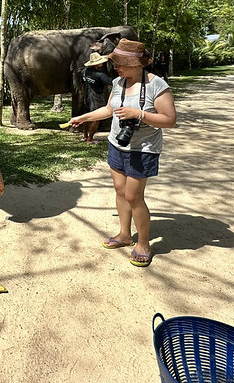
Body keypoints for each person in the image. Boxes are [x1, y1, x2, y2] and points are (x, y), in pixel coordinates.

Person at [68, 38, 177, 268]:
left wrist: (138, 114)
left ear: (137, 63)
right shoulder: (118, 82)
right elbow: (109, 109)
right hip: (117, 144)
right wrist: (83, 117)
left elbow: (169, 120)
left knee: (133, 196)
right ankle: (125, 235)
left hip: (142, 149)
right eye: (115, 63)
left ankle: (144, 243)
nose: (115, 67)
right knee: (120, 191)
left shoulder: (157, 85)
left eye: (120, 63)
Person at [81, 52, 113, 144]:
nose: (102, 63)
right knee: (96, 118)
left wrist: (84, 97)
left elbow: (82, 86)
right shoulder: (100, 75)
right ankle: (90, 139)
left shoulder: (83, 73)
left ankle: (85, 136)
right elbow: (111, 83)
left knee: (86, 117)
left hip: (87, 98)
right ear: (96, 64)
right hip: (97, 98)